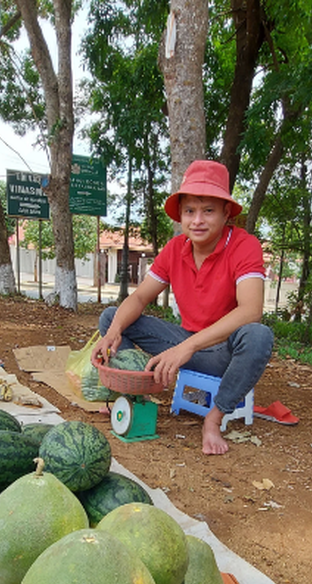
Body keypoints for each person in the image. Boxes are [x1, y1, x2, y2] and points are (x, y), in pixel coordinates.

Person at [92, 160, 274, 455]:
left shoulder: (244, 245)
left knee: (258, 334)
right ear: (181, 215)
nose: (197, 221)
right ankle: (131, 398)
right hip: (183, 341)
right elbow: (139, 298)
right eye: (190, 211)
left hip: (222, 352)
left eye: (208, 210)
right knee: (114, 317)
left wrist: (186, 348)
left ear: (226, 213)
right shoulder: (176, 248)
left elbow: (251, 310)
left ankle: (213, 420)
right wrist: (113, 332)